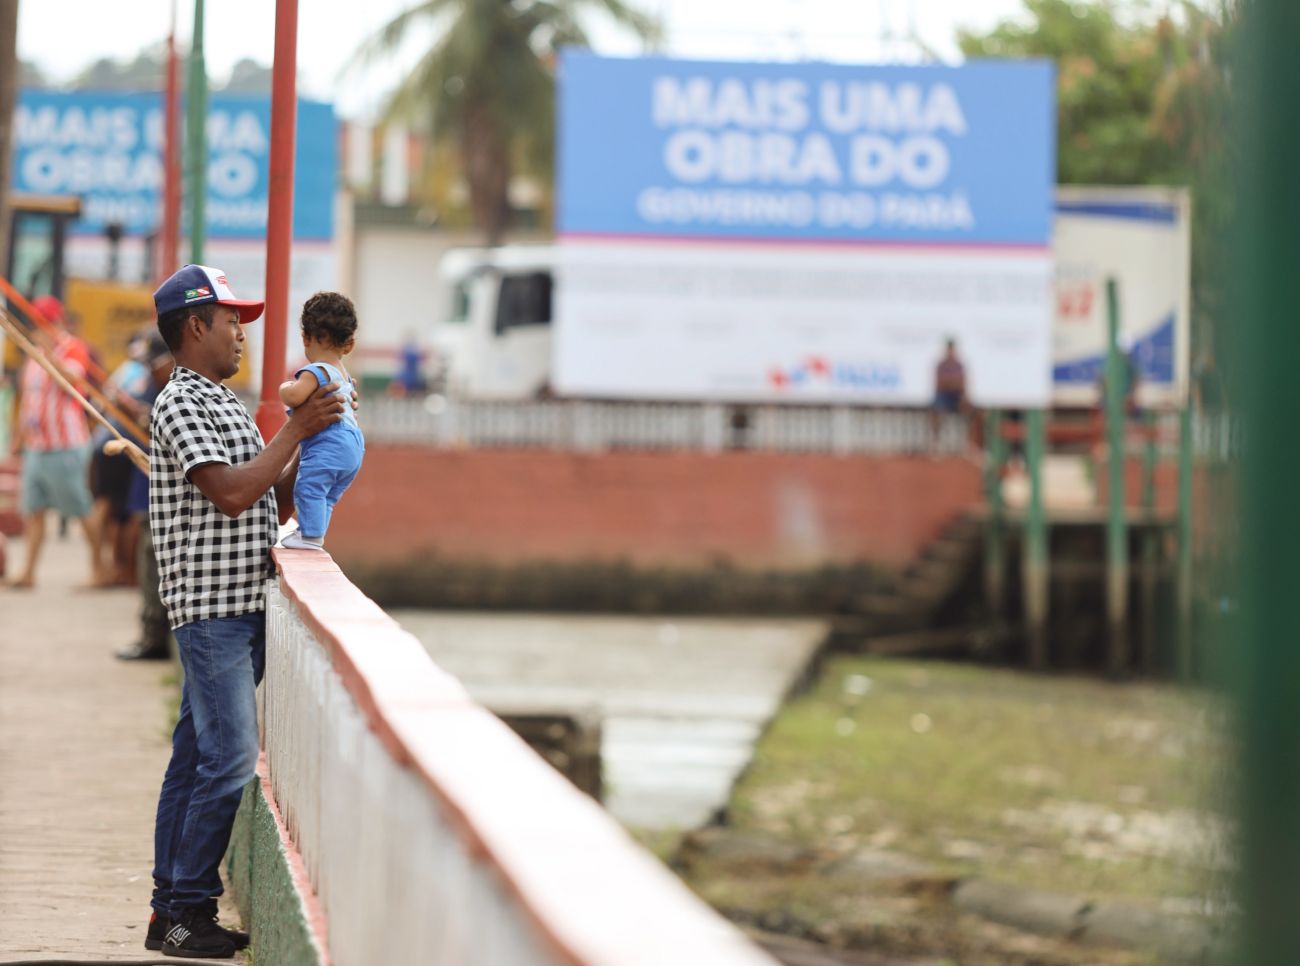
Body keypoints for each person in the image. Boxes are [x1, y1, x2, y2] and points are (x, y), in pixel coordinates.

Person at [142, 264, 345, 958]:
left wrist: (319, 448)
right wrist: (294, 428)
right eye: (232, 321)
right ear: (196, 326)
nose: (241, 334)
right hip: (211, 614)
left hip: (236, 609)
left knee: (194, 758)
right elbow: (230, 493)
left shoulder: (223, 402)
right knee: (229, 760)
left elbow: (261, 492)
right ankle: (185, 911)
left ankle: (168, 911)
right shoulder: (181, 402)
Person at [7, 294, 105, 589]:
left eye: (45, 322)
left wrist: (49, 352)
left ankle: (99, 568)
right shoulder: (33, 352)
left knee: (81, 508)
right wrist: (19, 437)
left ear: (57, 321)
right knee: (33, 510)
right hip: (38, 446)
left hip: (66, 446)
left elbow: (72, 382)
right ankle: (28, 572)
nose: (40, 328)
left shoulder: (72, 348)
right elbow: (29, 398)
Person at [277, 292, 365, 551]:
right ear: (349, 345)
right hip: (353, 443)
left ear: (306, 337)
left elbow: (295, 396)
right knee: (326, 495)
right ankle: (314, 533)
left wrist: (285, 387)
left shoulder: (316, 371)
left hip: (330, 442)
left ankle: (310, 536)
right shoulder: (344, 375)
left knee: (309, 486)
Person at [114, 333, 177, 662]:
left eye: (154, 364)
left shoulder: (174, 391)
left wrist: (144, 415)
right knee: (148, 561)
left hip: (164, 493)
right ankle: (151, 634)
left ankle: (155, 638)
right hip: (146, 488)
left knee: (154, 562)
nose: (149, 371)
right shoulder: (154, 386)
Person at [931, 336, 967, 448]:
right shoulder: (941, 365)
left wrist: (950, 382)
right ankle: (936, 440)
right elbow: (939, 384)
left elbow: (962, 383)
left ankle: (968, 441)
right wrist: (953, 382)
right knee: (937, 409)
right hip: (944, 396)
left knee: (971, 408)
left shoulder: (959, 365)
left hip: (956, 396)